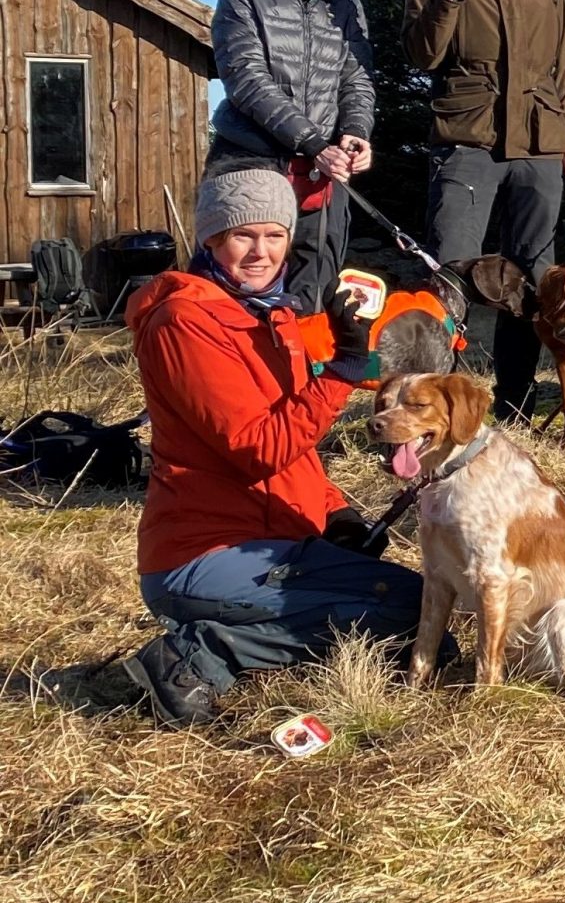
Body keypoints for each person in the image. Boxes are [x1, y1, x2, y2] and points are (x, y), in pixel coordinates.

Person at [21, 171, 402, 725]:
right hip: (205, 553)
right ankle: (197, 657)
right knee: (397, 616)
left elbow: (297, 451)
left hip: (271, 539)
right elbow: (259, 449)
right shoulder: (184, 322)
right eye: (243, 236)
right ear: (212, 240)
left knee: (419, 607)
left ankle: (242, 635)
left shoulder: (271, 315)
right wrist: (343, 369)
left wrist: (335, 513)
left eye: (275, 236)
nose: (261, 252)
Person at [403, 0, 565, 424]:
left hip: (540, 142)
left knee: (535, 282)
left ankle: (514, 404)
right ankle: (437, 410)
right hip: (468, 139)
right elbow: (421, 55)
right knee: (450, 276)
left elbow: (561, 62)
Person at [203, 0, 376, 311]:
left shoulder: (347, 4)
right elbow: (245, 78)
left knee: (315, 285)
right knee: (243, 285)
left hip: (324, 170)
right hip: (253, 159)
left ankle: (302, 376)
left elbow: (357, 78)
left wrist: (355, 134)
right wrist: (313, 144)